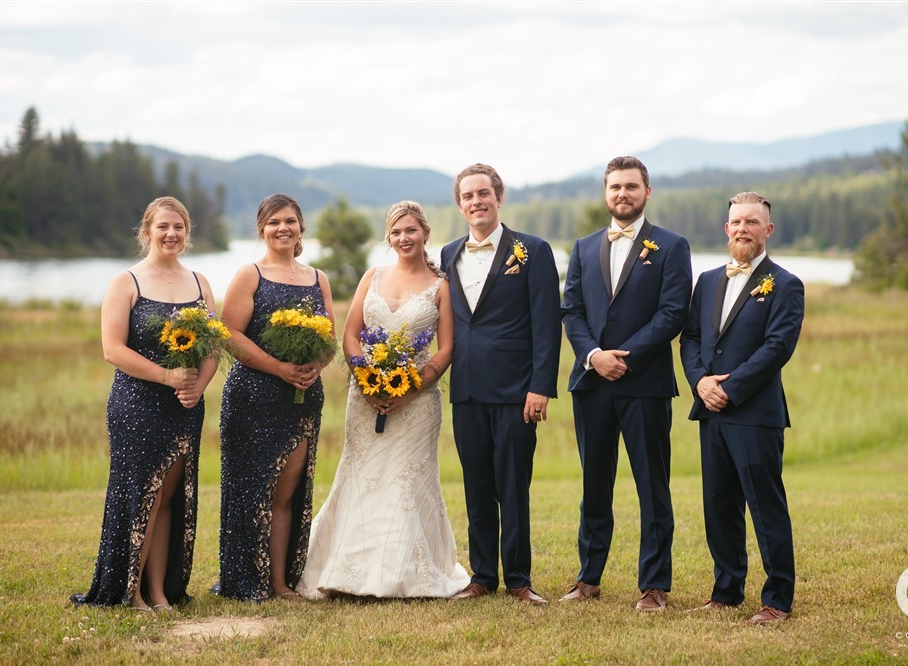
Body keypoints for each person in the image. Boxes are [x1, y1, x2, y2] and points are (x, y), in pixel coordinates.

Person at [296, 201, 469, 599]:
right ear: (388, 237)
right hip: (365, 396)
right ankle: (346, 571)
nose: (404, 238)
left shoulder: (441, 286)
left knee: (406, 480)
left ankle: (402, 573)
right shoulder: (372, 277)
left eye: (411, 230)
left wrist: (411, 388)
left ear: (425, 233)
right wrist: (367, 380)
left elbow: (446, 349)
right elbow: (350, 335)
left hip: (418, 402)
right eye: (396, 232)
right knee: (361, 476)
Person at [72, 196, 218, 612]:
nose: (171, 234)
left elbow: (213, 345)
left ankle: (159, 591)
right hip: (137, 403)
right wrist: (167, 377)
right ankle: (130, 591)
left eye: (178, 227)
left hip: (185, 404)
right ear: (147, 231)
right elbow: (112, 349)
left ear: (187, 233)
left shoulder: (200, 283)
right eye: (163, 226)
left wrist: (198, 386)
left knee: (169, 496)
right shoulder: (127, 282)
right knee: (141, 495)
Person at [560, 156, 691, 611]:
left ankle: (654, 585)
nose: (623, 194)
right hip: (592, 382)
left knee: (652, 486)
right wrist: (594, 356)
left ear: (647, 192)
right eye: (615, 186)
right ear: (606, 193)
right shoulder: (584, 247)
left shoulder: (672, 246)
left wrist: (624, 358)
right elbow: (571, 311)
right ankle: (588, 578)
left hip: (645, 384)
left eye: (631, 186)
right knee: (594, 485)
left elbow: (673, 313)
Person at [679, 191, 804, 624]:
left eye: (752, 222)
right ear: (726, 228)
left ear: (768, 230)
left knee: (765, 507)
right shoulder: (708, 280)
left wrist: (730, 389)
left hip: (755, 413)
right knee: (718, 506)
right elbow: (690, 338)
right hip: (710, 410)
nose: (742, 229)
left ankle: (777, 600)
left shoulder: (786, 284)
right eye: (736, 222)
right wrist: (700, 382)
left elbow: (777, 347)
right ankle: (727, 591)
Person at [440, 164, 561, 606]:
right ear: (460, 205)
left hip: (515, 390)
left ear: (499, 197)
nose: (477, 201)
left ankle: (519, 580)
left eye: (483, 193)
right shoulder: (448, 254)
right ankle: (483, 576)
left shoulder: (533, 250)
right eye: (468, 196)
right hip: (467, 388)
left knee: (513, 487)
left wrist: (540, 386)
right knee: (476, 486)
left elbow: (547, 323)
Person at [216, 193, 336, 602]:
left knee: (287, 492)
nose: (282, 228)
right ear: (261, 229)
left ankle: (280, 582)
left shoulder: (318, 278)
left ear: (301, 227)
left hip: (302, 397)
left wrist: (315, 366)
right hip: (253, 397)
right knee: (251, 490)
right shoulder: (250, 275)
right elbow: (229, 334)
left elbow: (329, 338)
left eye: (289, 221)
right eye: (273, 222)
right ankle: (245, 579)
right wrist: (278, 368)